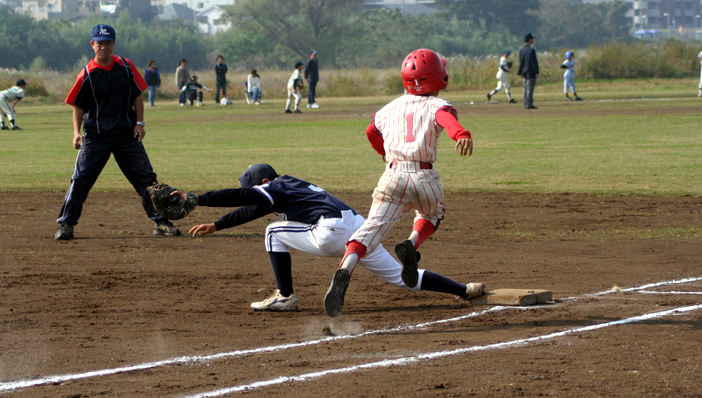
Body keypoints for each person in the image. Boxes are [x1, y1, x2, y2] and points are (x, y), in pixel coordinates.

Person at [178, 163, 483, 312]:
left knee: (273, 232)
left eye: (254, 187)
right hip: (360, 228)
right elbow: (250, 209)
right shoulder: (288, 188)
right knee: (403, 279)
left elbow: (241, 197)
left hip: (331, 230)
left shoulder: (274, 186)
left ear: (265, 182)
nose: (252, 192)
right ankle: (464, 289)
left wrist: (198, 199)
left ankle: (285, 296)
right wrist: (217, 225)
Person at [323, 49, 484, 317]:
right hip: (424, 177)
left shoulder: (389, 108)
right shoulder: (436, 104)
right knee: (432, 214)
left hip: (393, 175)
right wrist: (461, 134)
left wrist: (381, 151)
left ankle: (345, 268)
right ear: (440, 78)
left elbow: (371, 131)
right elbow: (446, 119)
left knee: (370, 228)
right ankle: (411, 243)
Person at [54, 24, 181, 241]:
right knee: (81, 180)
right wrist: (76, 132)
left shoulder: (125, 66)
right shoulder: (87, 74)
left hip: (126, 135)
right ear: (92, 44)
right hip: (96, 137)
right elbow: (78, 106)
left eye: (108, 43)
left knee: (146, 179)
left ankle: (160, 221)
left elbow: (137, 96)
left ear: (113, 44)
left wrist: (139, 123)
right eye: (100, 43)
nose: (104, 47)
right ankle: (66, 224)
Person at [518, 33, 540, 109]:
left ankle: (525, 103)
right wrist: (536, 72)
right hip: (531, 71)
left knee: (525, 89)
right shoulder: (531, 50)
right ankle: (529, 104)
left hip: (524, 71)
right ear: (530, 39)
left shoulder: (521, 50)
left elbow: (521, 61)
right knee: (530, 89)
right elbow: (534, 62)